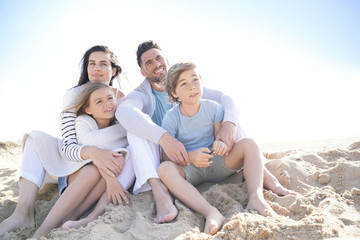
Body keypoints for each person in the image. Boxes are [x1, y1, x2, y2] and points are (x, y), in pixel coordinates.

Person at [116, 40, 295, 224]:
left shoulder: (188, 84)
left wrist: (228, 125)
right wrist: (164, 138)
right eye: (149, 63)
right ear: (143, 72)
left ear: (166, 60)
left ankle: (261, 185)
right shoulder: (144, 95)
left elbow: (226, 98)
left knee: (233, 120)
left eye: (159, 58)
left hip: (214, 157)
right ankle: (168, 196)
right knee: (140, 140)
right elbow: (124, 112)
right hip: (180, 157)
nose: (156, 65)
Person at [0, 45, 131, 238]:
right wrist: (94, 152)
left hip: (105, 172)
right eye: (91, 64)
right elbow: (68, 146)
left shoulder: (123, 101)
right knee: (35, 138)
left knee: (96, 168)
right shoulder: (74, 95)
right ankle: (22, 213)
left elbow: (125, 141)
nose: (96, 69)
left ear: (114, 70)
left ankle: (64, 220)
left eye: (103, 64)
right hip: (74, 164)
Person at [158, 62, 276, 235]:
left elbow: (222, 139)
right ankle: (210, 212)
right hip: (191, 170)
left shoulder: (212, 108)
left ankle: (256, 197)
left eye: (195, 80)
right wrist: (190, 157)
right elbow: (166, 157)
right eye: (184, 84)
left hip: (217, 163)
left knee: (249, 143)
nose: (192, 87)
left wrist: (221, 145)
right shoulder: (171, 117)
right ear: (174, 93)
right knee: (164, 169)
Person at [32, 82, 135, 238]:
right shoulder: (83, 122)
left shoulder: (119, 121)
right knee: (91, 170)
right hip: (74, 173)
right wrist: (111, 180)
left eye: (109, 98)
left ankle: (72, 217)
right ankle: (43, 229)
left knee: (113, 162)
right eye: (99, 101)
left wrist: (109, 177)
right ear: (88, 109)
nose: (107, 104)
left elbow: (115, 154)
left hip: (99, 174)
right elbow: (92, 149)